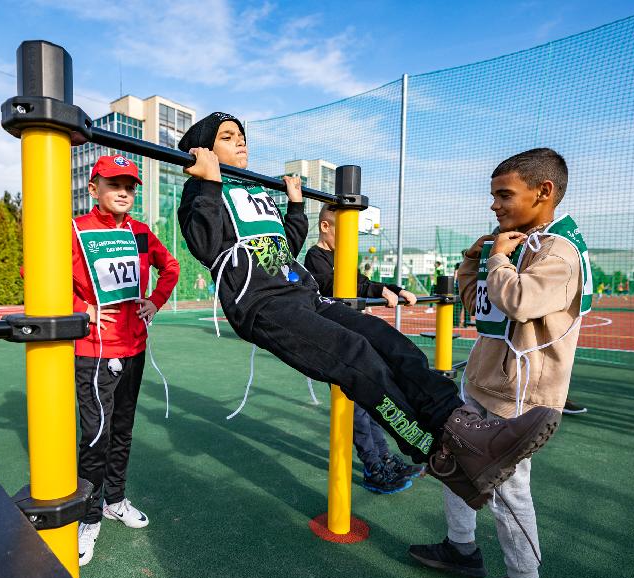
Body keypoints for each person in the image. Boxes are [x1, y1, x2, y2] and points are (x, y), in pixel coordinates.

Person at [175, 112, 561, 510]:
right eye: (227, 137)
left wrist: (294, 206)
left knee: (391, 343)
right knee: (354, 357)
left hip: (302, 295)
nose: (241, 141)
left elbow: (286, 245)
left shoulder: (254, 190)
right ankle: (437, 453)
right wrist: (206, 181)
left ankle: (466, 429)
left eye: (241, 135)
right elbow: (205, 245)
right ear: (203, 148)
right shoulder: (203, 190)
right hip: (262, 305)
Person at [409, 148, 589, 578]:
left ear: (544, 191)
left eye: (504, 194)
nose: (494, 205)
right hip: (484, 382)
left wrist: (500, 258)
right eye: (493, 195)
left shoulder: (560, 252)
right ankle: (460, 547)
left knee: (509, 491)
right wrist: (476, 258)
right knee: (452, 461)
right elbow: (479, 302)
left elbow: (519, 300)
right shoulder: (519, 243)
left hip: (520, 397)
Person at [72, 155, 180, 566]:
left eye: (130, 185)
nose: (123, 192)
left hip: (134, 347)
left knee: (122, 431)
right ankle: (88, 517)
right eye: (114, 183)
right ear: (93, 187)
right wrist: (81, 306)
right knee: (95, 438)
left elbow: (169, 267)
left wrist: (155, 301)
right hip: (95, 352)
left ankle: (114, 500)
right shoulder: (75, 230)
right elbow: (37, 273)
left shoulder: (139, 232)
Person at [304, 203, 424, 494]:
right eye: (345, 233)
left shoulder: (342, 256)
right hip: (334, 343)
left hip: (352, 341)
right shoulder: (315, 257)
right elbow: (333, 284)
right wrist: (375, 291)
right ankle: (373, 467)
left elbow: (363, 283)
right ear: (325, 227)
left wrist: (393, 289)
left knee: (368, 404)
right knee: (356, 410)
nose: (350, 241)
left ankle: (384, 459)